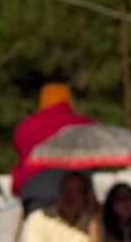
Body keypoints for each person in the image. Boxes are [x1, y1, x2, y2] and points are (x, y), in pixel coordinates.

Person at [10, 81, 92, 213]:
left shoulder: (26, 126)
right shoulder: (85, 125)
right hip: (77, 192)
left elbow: (18, 146)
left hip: (36, 190)